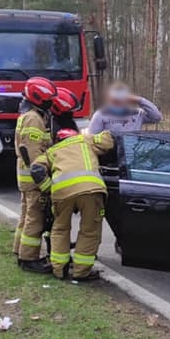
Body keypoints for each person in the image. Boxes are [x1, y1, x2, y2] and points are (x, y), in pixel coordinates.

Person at [31, 88, 114, 281]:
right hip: (91, 191)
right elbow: (108, 141)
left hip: (62, 193)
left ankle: (58, 270)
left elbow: (36, 169)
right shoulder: (85, 139)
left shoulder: (52, 151)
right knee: (89, 230)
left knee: (60, 229)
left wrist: (48, 188)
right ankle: (81, 272)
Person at [13, 77, 58, 273]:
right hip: (32, 178)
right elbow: (31, 151)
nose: (51, 103)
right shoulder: (34, 118)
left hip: (24, 175)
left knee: (25, 216)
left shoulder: (29, 115)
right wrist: (43, 180)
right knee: (35, 218)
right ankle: (29, 258)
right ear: (39, 98)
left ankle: (19, 250)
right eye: (49, 100)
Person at [87, 81, 161, 134]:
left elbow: (156, 117)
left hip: (132, 151)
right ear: (110, 99)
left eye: (120, 100)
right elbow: (91, 137)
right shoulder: (101, 114)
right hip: (110, 152)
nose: (118, 103)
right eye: (115, 100)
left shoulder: (137, 113)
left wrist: (140, 100)